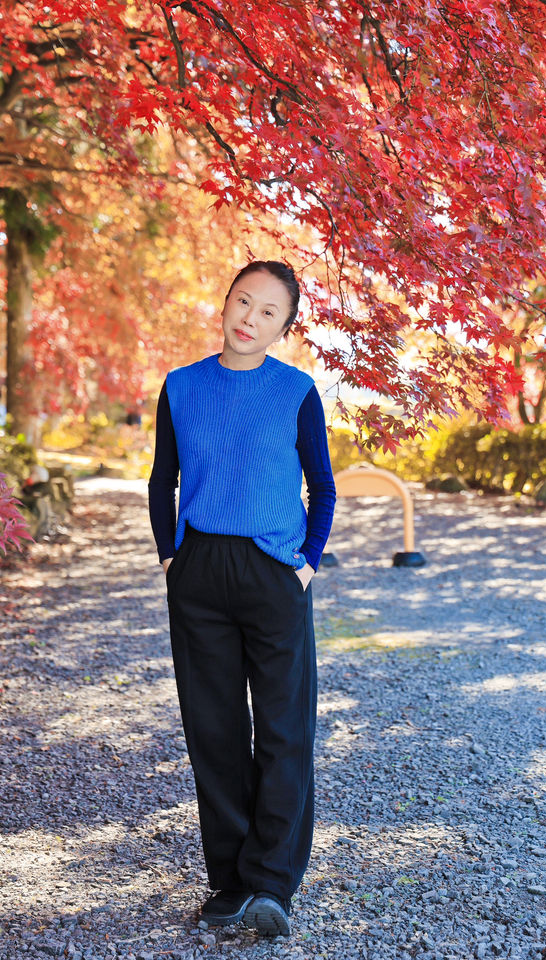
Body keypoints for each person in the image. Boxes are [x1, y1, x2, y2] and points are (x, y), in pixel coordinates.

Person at [148, 260, 336, 937]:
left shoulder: (297, 392)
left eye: (266, 313)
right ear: (225, 302)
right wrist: (172, 559)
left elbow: (324, 486)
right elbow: (161, 480)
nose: (248, 318)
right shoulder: (181, 386)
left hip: (272, 573)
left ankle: (272, 883)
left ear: (283, 329)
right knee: (215, 732)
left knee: (285, 731)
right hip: (198, 573)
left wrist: (308, 563)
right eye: (242, 301)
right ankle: (230, 883)